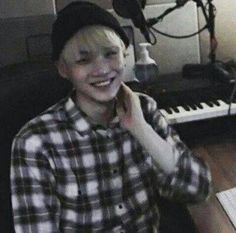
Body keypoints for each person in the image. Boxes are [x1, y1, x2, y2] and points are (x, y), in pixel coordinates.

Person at [10, 1, 211, 233]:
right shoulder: (35, 143)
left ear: (125, 55)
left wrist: (141, 130)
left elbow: (198, 190)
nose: (103, 69)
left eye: (110, 54)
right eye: (84, 60)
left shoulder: (143, 110)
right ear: (64, 69)